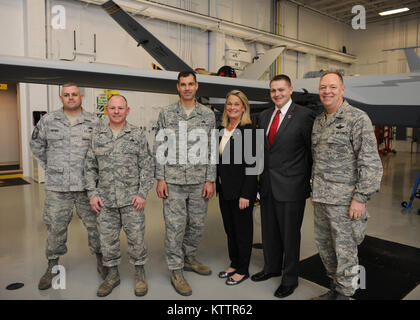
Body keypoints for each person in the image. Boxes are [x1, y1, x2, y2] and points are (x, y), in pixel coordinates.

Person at [311, 71, 383, 300]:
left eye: (332, 87)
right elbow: (317, 159)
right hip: (322, 199)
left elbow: (371, 162)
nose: (327, 91)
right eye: (323, 87)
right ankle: (335, 289)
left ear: (342, 89)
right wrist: (315, 189)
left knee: (346, 252)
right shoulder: (319, 121)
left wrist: (360, 198)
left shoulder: (357, 118)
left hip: (345, 202)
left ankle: (346, 294)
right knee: (326, 249)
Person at [30, 83, 104, 290]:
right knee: (55, 227)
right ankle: (52, 265)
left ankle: (102, 260)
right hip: (57, 187)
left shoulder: (94, 122)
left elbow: (101, 150)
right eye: (66, 95)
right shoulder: (48, 120)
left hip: (86, 186)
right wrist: (51, 166)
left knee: (96, 226)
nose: (70, 98)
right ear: (61, 98)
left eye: (74, 94)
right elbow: (37, 145)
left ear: (81, 97)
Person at [84, 94, 155, 297]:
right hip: (105, 201)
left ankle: (140, 273)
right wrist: (93, 193)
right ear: (107, 110)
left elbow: (147, 166)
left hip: (132, 200)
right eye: (112, 108)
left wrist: (142, 193)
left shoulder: (137, 135)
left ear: (127, 110)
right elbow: (89, 167)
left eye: (120, 108)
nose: (116, 111)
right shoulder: (97, 135)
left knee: (137, 239)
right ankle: (112, 275)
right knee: (108, 241)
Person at [154, 71, 216, 296]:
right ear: (178, 87)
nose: (187, 88)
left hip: (199, 180)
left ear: (197, 86)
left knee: (197, 224)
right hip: (173, 181)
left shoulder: (207, 115)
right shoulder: (167, 113)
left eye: (191, 84)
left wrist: (210, 179)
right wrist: (160, 177)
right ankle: (175, 269)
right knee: (174, 227)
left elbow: (211, 150)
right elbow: (160, 146)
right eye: (183, 84)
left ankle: (189, 258)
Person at [253, 74, 314, 298]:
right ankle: (271, 268)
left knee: (290, 235)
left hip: (292, 186)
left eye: (281, 90)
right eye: (273, 91)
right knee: (269, 232)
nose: (277, 94)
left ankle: (290, 279)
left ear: (290, 90)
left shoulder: (305, 116)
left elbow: (311, 153)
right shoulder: (265, 115)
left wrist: (307, 183)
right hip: (268, 185)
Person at [216, 90, 258, 286]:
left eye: (236, 104)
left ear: (244, 107)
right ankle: (234, 263)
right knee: (230, 229)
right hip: (224, 191)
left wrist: (247, 194)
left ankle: (243, 269)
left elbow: (253, 166)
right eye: (229, 104)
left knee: (243, 231)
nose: (232, 107)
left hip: (241, 192)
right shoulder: (221, 129)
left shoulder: (249, 130)